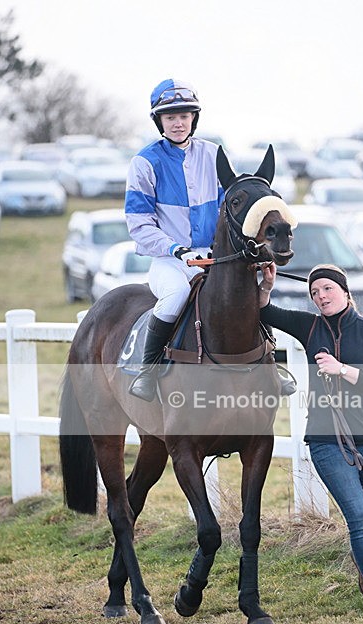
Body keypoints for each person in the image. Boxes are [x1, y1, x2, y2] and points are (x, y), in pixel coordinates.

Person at [259, 263, 363, 614]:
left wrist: (342, 369)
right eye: (314, 292)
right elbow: (264, 310)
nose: (321, 296)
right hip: (326, 441)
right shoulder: (309, 327)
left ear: (345, 291)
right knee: (361, 520)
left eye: (327, 289)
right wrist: (267, 283)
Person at [125, 78, 223, 401]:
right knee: (177, 293)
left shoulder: (214, 155)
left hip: (212, 258)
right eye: (170, 117)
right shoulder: (144, 162)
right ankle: (147, 371)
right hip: (169, 261)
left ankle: (268, 361)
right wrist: (175, 249)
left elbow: (228, 209)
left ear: (194, 118)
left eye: (184, 115)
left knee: (243, 290)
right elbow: (139, 225)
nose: (178, 123)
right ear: (159, 121)